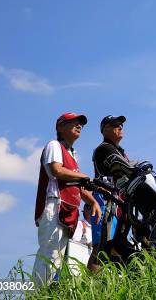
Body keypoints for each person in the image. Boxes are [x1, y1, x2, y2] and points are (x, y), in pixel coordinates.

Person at [33, 112, 101, 286]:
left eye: (81, 124)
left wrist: (92, 201)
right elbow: (56, 170)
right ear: (60, 127)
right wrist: (84, 177)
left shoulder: (73, 155)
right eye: (73, 122)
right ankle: (37, 295)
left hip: (67, 210)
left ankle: (45, 294)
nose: (79, 125)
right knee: (50, 254)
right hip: (53, 205)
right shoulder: (54, 145)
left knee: (58, 258)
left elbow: (77, 184)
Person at [89, 115, 136, 267]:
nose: (120, 127)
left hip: (117, 202)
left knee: (115, 246)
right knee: (101, 246)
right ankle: (88, 286)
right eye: (116, 124)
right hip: (105, 200)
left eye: (121, 124)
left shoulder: (118, 150)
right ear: (105, 129)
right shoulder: (105, 148)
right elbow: (127, 171)